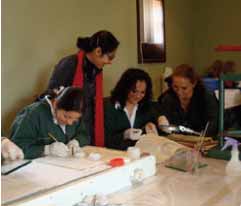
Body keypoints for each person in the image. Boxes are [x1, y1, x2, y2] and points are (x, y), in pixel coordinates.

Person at [47, 30, 119, 147]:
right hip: (66, 127)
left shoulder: (97, 70)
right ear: (98, 51)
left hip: (85, 131)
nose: (110, 62)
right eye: (110, 57)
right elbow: (53, 98)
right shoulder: (69, 64)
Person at [10, 87, 89, 159]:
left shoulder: (74, 113)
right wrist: (46, 149)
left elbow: (83, 135)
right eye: (66, 116)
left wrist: (76, 142)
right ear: (55, 104)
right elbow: (16, 147)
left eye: (75, 119)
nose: (70, 123)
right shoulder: (32, 115)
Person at [104, 68, 159, 150]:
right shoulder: (109, 106)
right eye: (134, 91)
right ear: (125, 88)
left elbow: (154, 124)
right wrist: (124, 135)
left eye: (142, 92)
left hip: (140, 154)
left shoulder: (146, 107)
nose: (138, 96)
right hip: (115, 154)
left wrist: (150, 126)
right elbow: (105, 140)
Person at [158, 64, 218, 136]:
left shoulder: (206, 98)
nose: (179, 92)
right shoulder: (168, 98)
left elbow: (213, 123)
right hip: (176, 141)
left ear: (194, 84)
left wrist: (204, 135)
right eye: (175, 87)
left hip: (201, 140)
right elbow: (164, 122)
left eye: (184, 88)